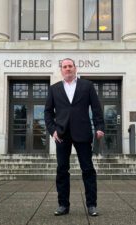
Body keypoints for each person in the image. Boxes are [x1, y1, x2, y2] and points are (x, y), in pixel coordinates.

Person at [44, 58, 105, 216]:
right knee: (62, 170)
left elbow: (96, 108)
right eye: (65, 67)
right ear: (61, 70)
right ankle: (63, 205)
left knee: (88, 170)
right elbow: (48, 112)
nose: (68, 69)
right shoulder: (54, 89)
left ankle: (92, 205)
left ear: (75, 68)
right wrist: (52, 130)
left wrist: (99, 127)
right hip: (62, 134)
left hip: (83, 132)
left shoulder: (87, 86)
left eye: (70, 66)